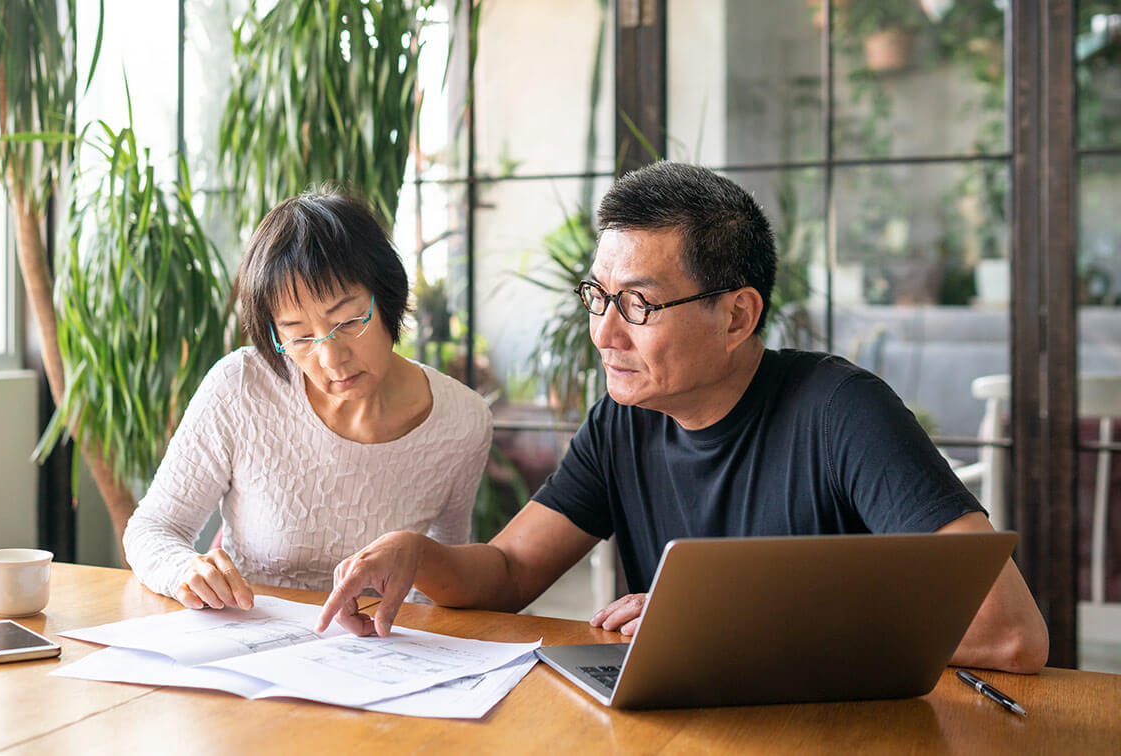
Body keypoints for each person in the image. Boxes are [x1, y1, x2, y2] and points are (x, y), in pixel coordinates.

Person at [316, 161, 1049, 674]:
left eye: (639, 305)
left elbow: (1011, 636)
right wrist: (419, 553)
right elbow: (508, 572)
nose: (605, 333)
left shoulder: (841, 411)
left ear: (738, 315)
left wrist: (737, 628)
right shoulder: (623, 423)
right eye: (597, 297)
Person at [123, 190, 492, 611]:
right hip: (250, 643)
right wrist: (184, 570)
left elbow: (442, 583)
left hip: (378, 654)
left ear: (387, 295)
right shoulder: (241, 386)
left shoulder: (463, 420)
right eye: (299, 336)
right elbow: (153, 527)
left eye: (349, 321)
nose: (331, 357)